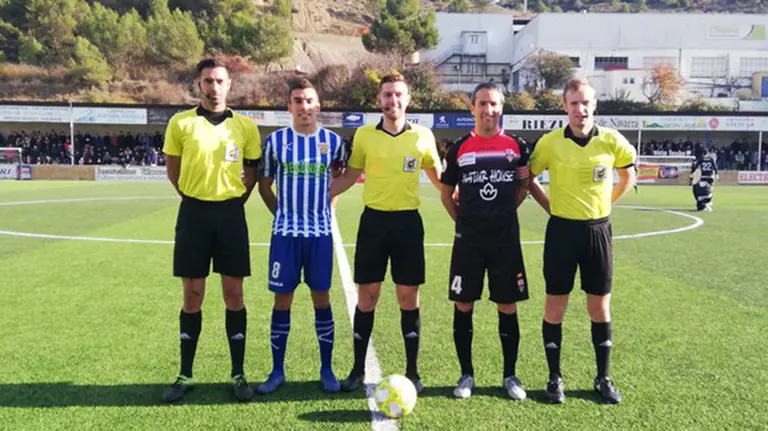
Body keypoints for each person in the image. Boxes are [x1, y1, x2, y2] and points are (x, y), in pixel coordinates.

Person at [330, 74, 442, 393]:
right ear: (379, 100)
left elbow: (440, 180)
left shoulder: (423, 136)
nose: (393, 100)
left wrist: (465, 204)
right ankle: (356, 370)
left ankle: (413, 372)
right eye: (387, 95)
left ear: (408, 99)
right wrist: (317, 196)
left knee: (408, 297)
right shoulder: (364, 136)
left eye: (398, 95)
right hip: (373, 224)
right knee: (368, 298)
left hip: (408, 224)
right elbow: (350, 176)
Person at [528, 77, 636, 405]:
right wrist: (551, 207)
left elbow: (629, 175)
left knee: (599, 306)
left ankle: (602, 378)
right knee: (554, 306)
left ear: (594, 105)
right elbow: (529, 178)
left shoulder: (612, 141)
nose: (580, 109)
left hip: (597, 232)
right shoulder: (549, 143)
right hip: (561, 232)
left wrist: (606, 205)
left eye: (586, 102)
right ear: (564, 106)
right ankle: (554, 378)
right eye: (574, 103)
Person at [439, 82, 548, 400]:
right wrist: (464, 221)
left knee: (507, 304)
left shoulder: (516, 146)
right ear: (472, 108)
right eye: (483, 103)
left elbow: (524, 186)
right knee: (464, 304)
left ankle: (510, 376)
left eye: (495, 104)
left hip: (505, 240)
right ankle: (466, 375)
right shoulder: (458, 148)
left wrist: (501, 214)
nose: (489, 109)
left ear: (502, 108)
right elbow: (446, 194)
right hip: (468, 241)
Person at [161, 58, 261, 403]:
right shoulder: (180, 123)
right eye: (208, 81)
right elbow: (173, 171)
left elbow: (251, 175)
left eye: (220, 80)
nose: (214, 86)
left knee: (234, 295)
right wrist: (196, 199)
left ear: (229, 84)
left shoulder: (245, 127)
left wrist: (231, 203)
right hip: (193, 215)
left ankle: (239, 373)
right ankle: (185, 374)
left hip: (231, 215)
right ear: (199, 84)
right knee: (193, 297)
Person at [256, 78, 349, 394]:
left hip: (320, 235)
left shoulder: (333, 143)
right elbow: (264, 186)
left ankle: (327, 369)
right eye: (298, 100)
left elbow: (339, 178)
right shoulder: (275, 142)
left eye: (309, 100)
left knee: (321, 298)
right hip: (285, 235)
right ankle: (277, 370)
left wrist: (327, 208)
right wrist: (281, 214)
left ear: (318, 106)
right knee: (282, 301)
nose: (304, 106)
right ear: (289, 107)